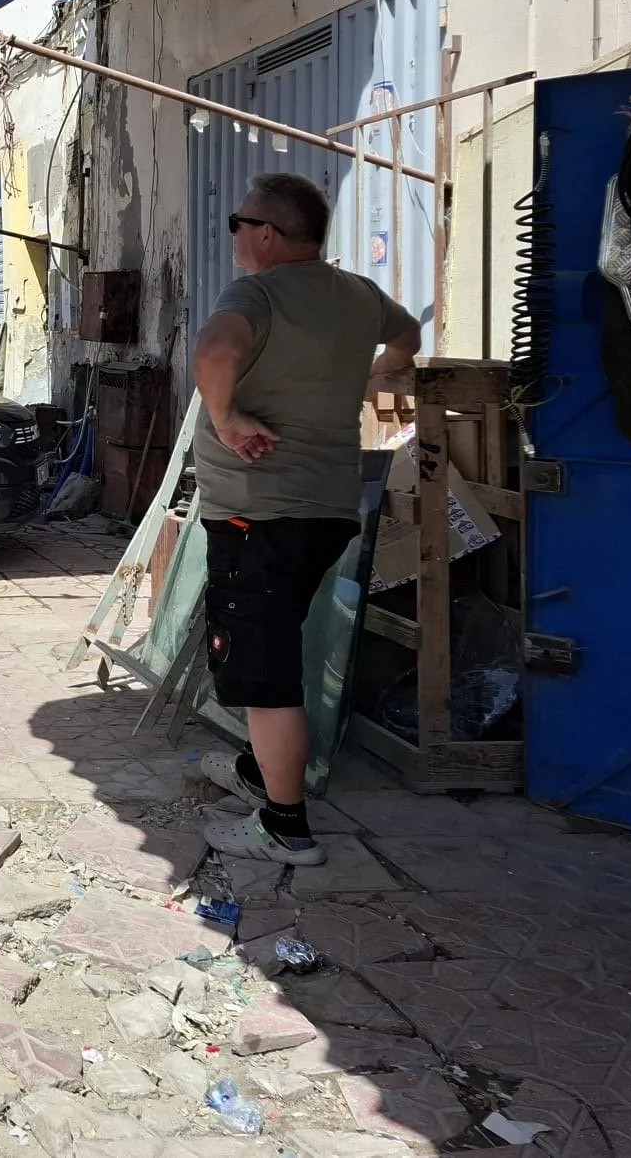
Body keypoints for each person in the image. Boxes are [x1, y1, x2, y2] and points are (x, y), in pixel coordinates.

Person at [192, 173, 420, 864]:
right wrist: (380, 374)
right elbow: (407, 334)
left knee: (265, 670)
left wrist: (227, 419)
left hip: (260, 513)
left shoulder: (256, 295)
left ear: (266, 233)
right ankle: (260, 771)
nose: (234, 235)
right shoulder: (358, 294)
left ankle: (284, 826)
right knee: (276, 638)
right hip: (327, 507)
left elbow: (214, 352)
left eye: (238, 223)